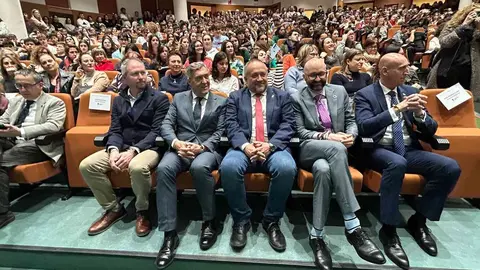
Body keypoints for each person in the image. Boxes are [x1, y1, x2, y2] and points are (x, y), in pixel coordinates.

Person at [354, 53, 461, 270]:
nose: (408, 70)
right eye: (402, 67)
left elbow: (431, 128)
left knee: (449, 167)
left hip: (408, 148)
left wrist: (421, 113)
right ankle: (389, 230)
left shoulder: (411, 92)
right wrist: (397, 109)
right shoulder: (365, 94)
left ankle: (419, 221)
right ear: (384, 71)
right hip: (377, 149)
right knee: (396, 164)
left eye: (407, 67)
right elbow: (365, 127)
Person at [292, 58, 385, 269]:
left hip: (335, 152)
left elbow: (352, 121)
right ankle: (353, 225)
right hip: (310, 147)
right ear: (304, 76)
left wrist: (350, 135)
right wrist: (329, 137)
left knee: (323, 170)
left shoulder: (339, 92)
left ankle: (317, 236)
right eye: (311, 76)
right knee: (336, 148)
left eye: (320, 74)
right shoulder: (297, 98)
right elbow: (300, 132)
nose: (317, 79)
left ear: (326, 73)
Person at [79, 58, 170, 237]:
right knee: (87, 166)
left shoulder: (159, 98)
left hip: (149, 147)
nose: (141, 77)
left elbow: (156, 132)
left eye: (143, 72)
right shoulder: (119, 99)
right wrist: (113, 150)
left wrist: (132, 151)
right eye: (135, 74)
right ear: (124, 77)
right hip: (121, 146)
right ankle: (113, 208)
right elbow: (115, 129)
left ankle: (142, 211)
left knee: (137, 166)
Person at [155, 62, 227, 269]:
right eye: (199, 78)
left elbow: (220, 132)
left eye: (207, 77)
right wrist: (176, 143)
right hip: (181, 147)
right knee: (164, 168)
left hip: (207, 150)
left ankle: (209, 221)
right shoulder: (178, 99)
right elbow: (166, 124)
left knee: (199, 168)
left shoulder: (221, 101)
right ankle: (169, 234)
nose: (205, 81)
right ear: (189, 81)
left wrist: (202, 147)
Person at [219, 59, 296, 252]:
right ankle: (241, 220)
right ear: (245, 79)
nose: (260, 78)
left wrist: (270, 145)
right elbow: (231, 125)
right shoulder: (235, 97)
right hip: (244, 148)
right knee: (228, 167)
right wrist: (245, 146)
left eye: (263, 74)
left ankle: (271, 220)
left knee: (286, 168)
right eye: (254, 75)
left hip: (273, 147)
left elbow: (289, 125)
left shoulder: (282, 96)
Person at [0, 68, 66, 229]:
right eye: (19, 86)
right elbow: (4, 119)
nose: (23, 90)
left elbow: (54, 125)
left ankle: (3, 213)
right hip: (12, 140)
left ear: (40, 84)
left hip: (38, 144)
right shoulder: (16, 101)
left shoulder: (54, 102)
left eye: (27, 86)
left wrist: (21, 131)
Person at [427, 4, 480, 101]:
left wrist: (478, 29)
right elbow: (444, 42)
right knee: (441, 101)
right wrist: (463, 26)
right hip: (447, 68)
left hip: (469, 72)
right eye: (475, 13)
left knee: (460, 105)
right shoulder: (452, 25)